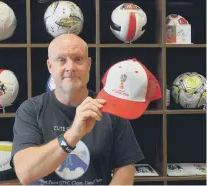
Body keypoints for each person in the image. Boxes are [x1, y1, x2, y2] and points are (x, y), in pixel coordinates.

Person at [11, 34, 144, 185]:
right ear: (50, 66)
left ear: (88, 65)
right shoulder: (30, 110)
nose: (70, 67)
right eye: (61, 60)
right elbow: (24, 173)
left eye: (78, 59)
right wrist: (73, 134)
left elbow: (125, 168)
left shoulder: (110, 108)